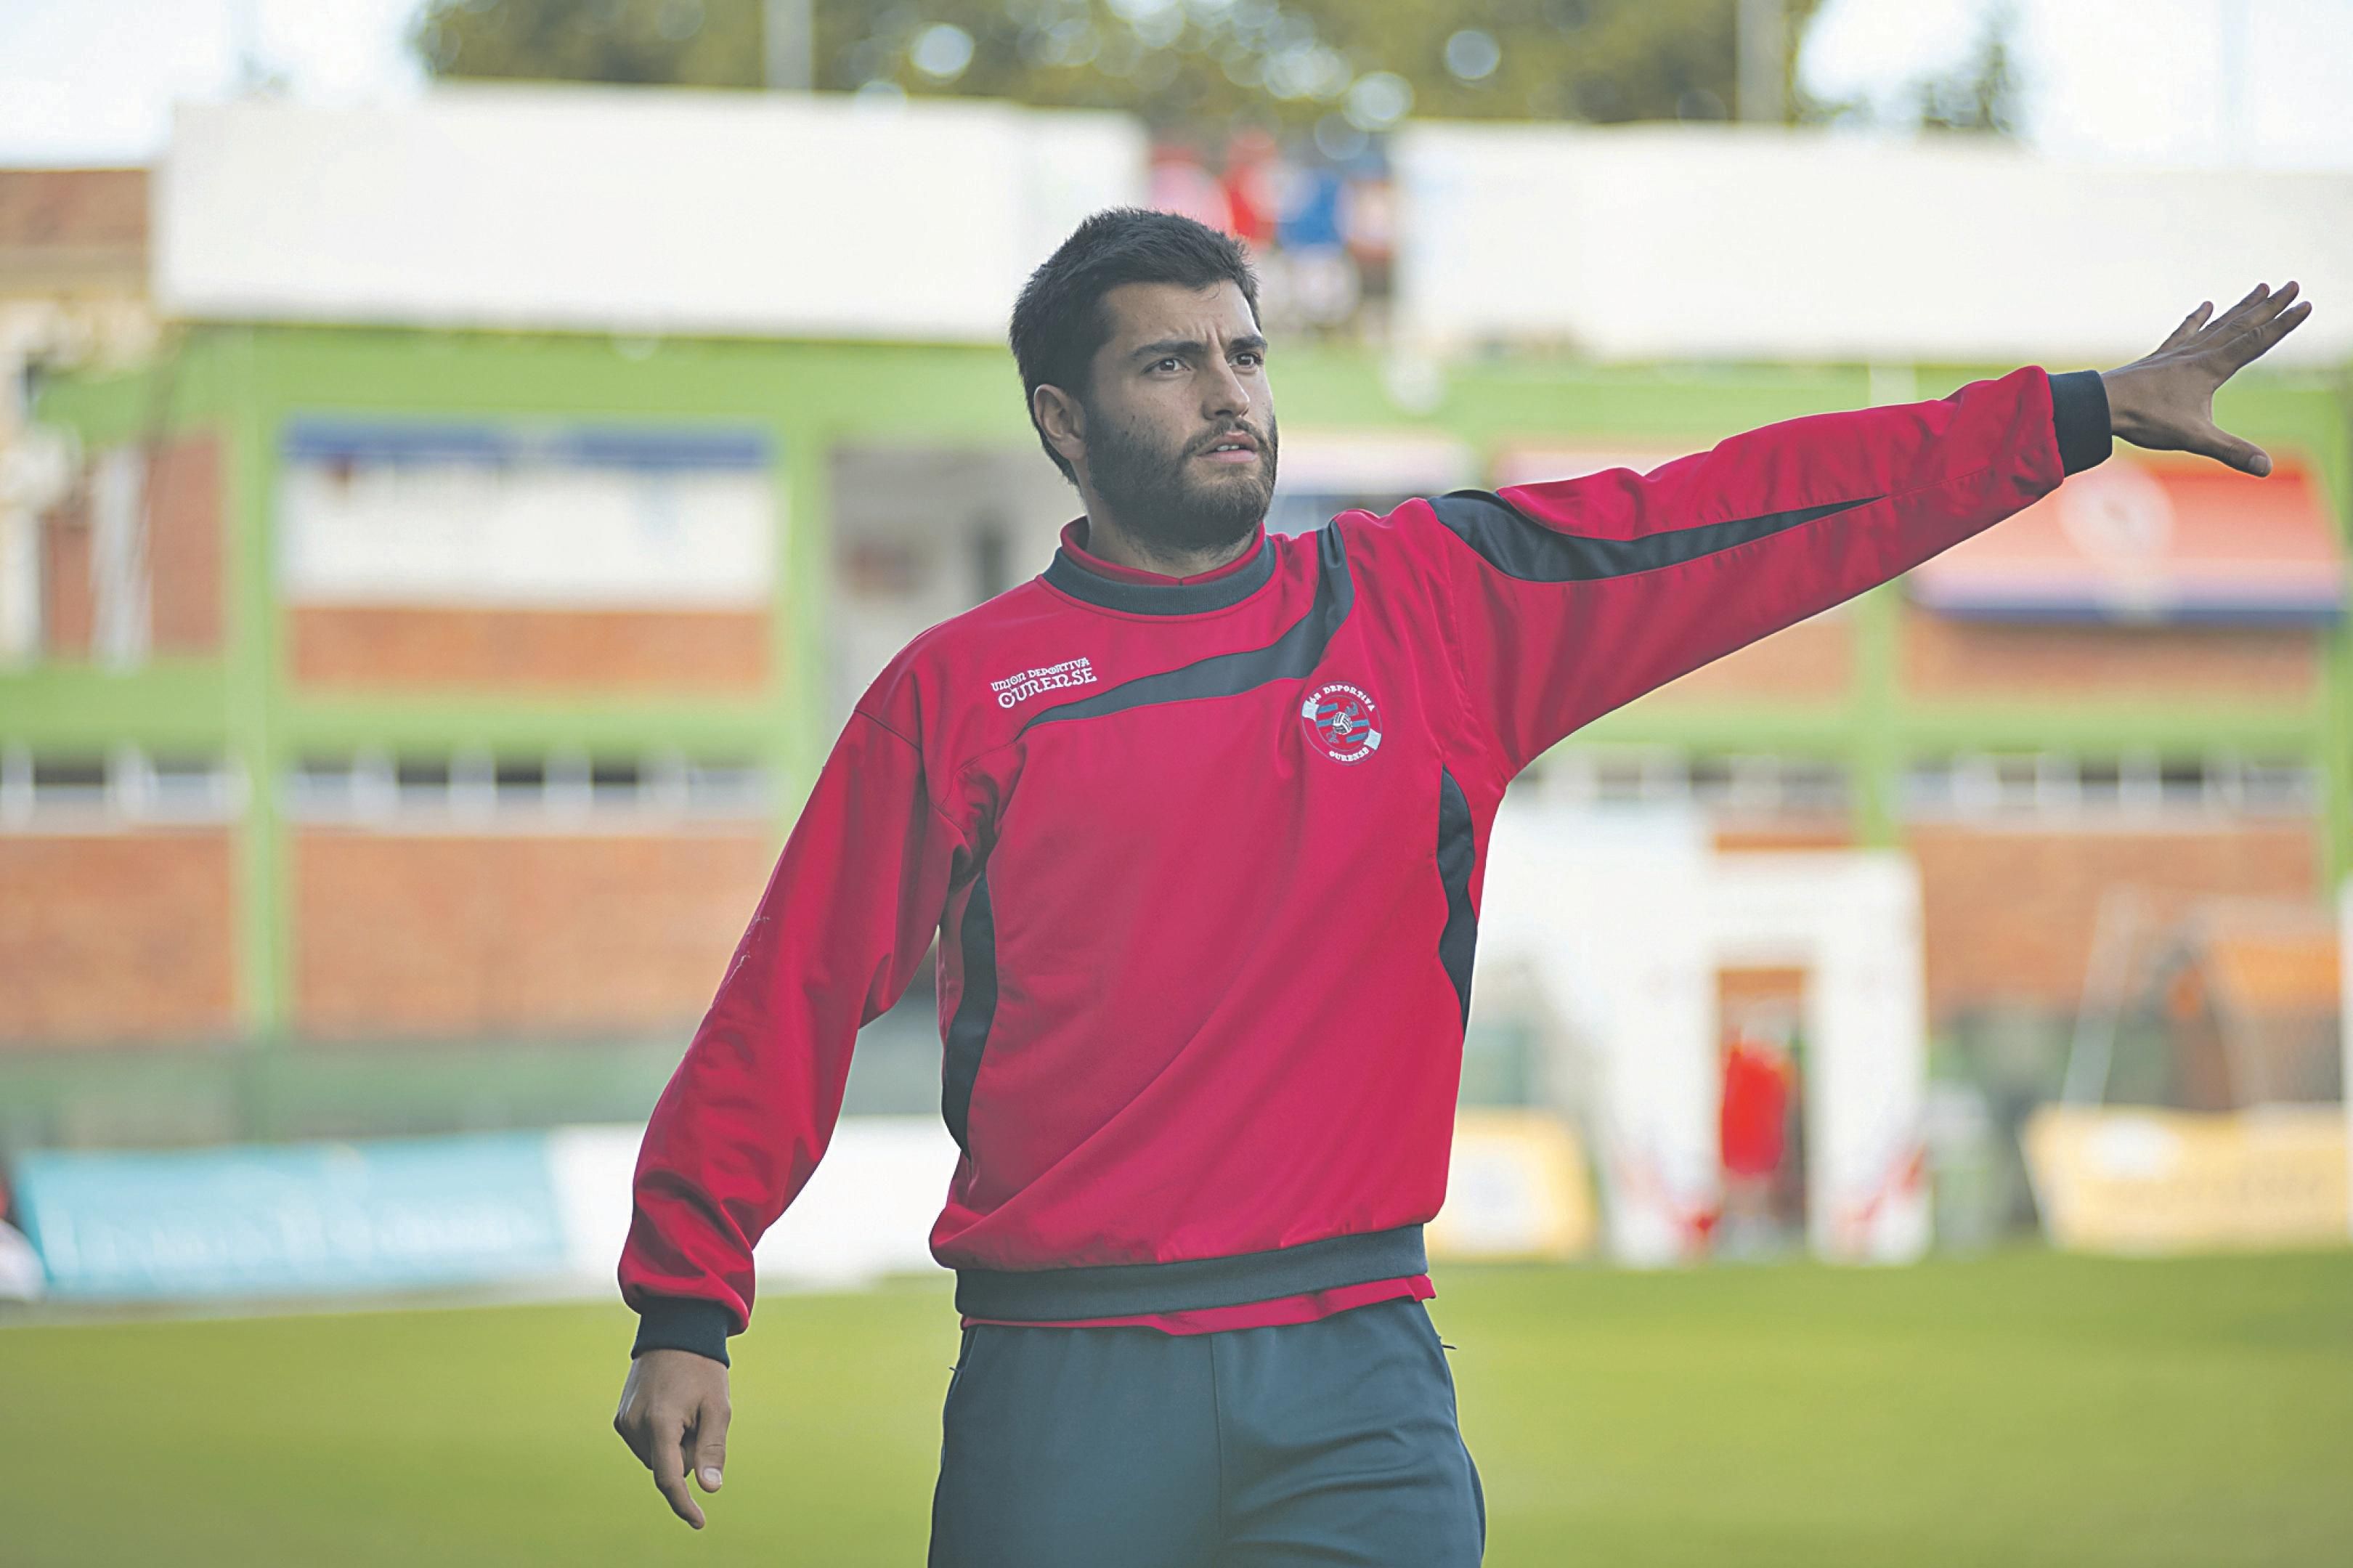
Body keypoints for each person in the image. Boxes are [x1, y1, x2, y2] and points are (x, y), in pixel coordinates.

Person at [610, 207, 2310, 1564]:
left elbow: (1739, 515)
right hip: (1065, 1382)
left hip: (1358, 1373)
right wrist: (691, 1297)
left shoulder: (1430, 609)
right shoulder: (962, 691)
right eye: (1168, 366)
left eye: (1246, 353)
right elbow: (799, 992)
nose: (1228, 394)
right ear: (1063, 420)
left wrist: (2069, 420)